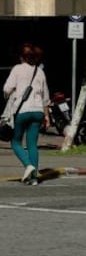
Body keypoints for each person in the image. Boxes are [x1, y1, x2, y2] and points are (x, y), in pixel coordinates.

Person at [3, 43, 50, 186]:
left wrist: (10, 96)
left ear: (21, 57)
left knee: (16, 142)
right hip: (38, 111)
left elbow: (7, 88)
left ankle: (28, 165)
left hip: (22, 110)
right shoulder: (40, 72)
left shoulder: (17, 69)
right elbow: (45, 97)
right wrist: (46, 116)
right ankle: (34, 178)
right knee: (32, 145)